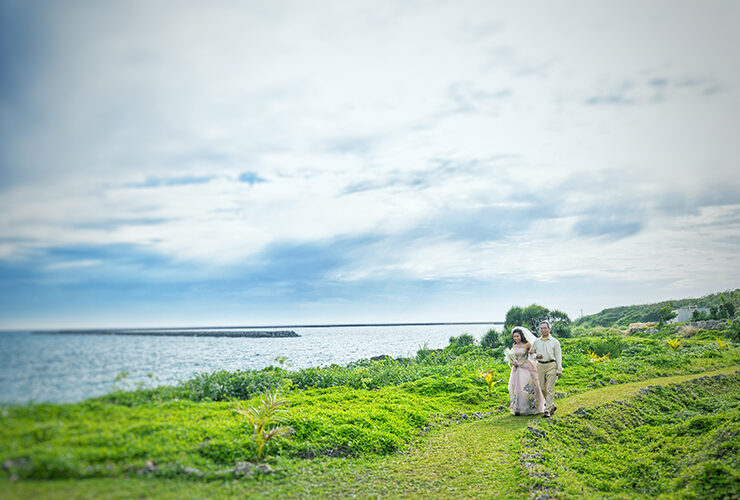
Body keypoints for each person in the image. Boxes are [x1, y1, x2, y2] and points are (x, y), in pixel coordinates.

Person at [504, 327, 544, 415]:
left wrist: (537, 357)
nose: (516, 338)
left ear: (521, 336)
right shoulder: (514, 345)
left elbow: (533, 353)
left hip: (526, 367)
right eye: (514, 337)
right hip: (516, 369)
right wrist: (513, 361)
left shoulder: (527, 344)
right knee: (517, 388)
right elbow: (514, 356)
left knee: (529, 387)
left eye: (517, 336)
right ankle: (518, 408)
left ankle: (532, 407)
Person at [531, 320, 562, 418]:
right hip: (540, 366)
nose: (543, 330)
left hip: (551, 365)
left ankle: (547, 410)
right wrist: (536, 356)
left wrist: (559, 369)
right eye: (541, 328)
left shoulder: (555, 342)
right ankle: (552, 406)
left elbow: (558, 356)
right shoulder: (536, 342)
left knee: (549, 389)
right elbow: (531, 354)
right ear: (539, 330)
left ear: (549, 329)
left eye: (545, 328)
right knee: (542, 388)